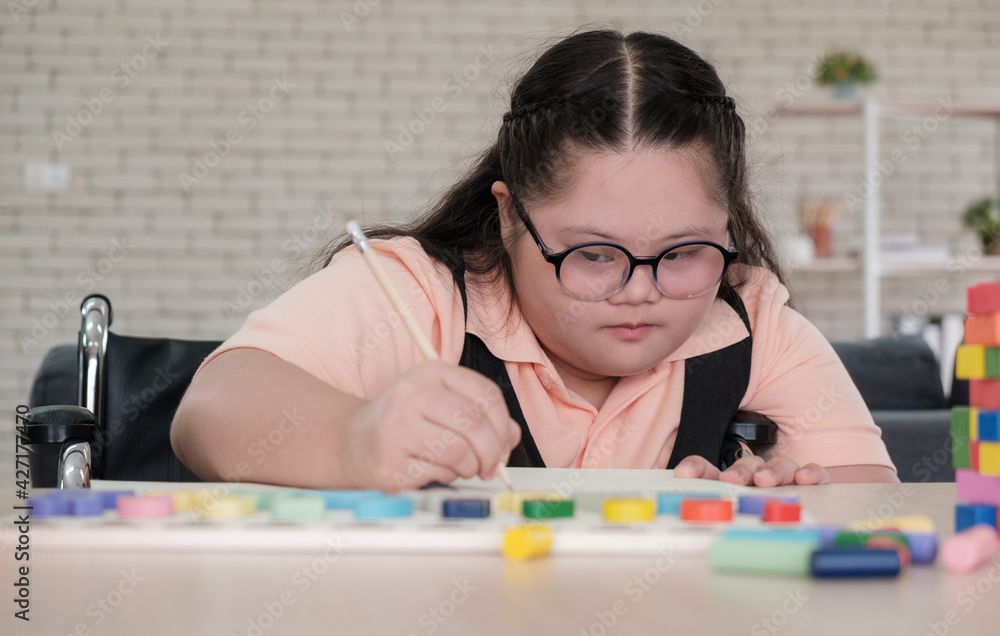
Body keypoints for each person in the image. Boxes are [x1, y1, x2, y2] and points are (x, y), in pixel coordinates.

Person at [171, 29, 898, 491]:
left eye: (681, 252)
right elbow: (210, 412)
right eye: (592, 253)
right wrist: (354, 440)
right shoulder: (422, 294)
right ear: (510, 215)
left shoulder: (747, 318)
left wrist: (787, 498)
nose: (638, 292)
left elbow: (874, 500)